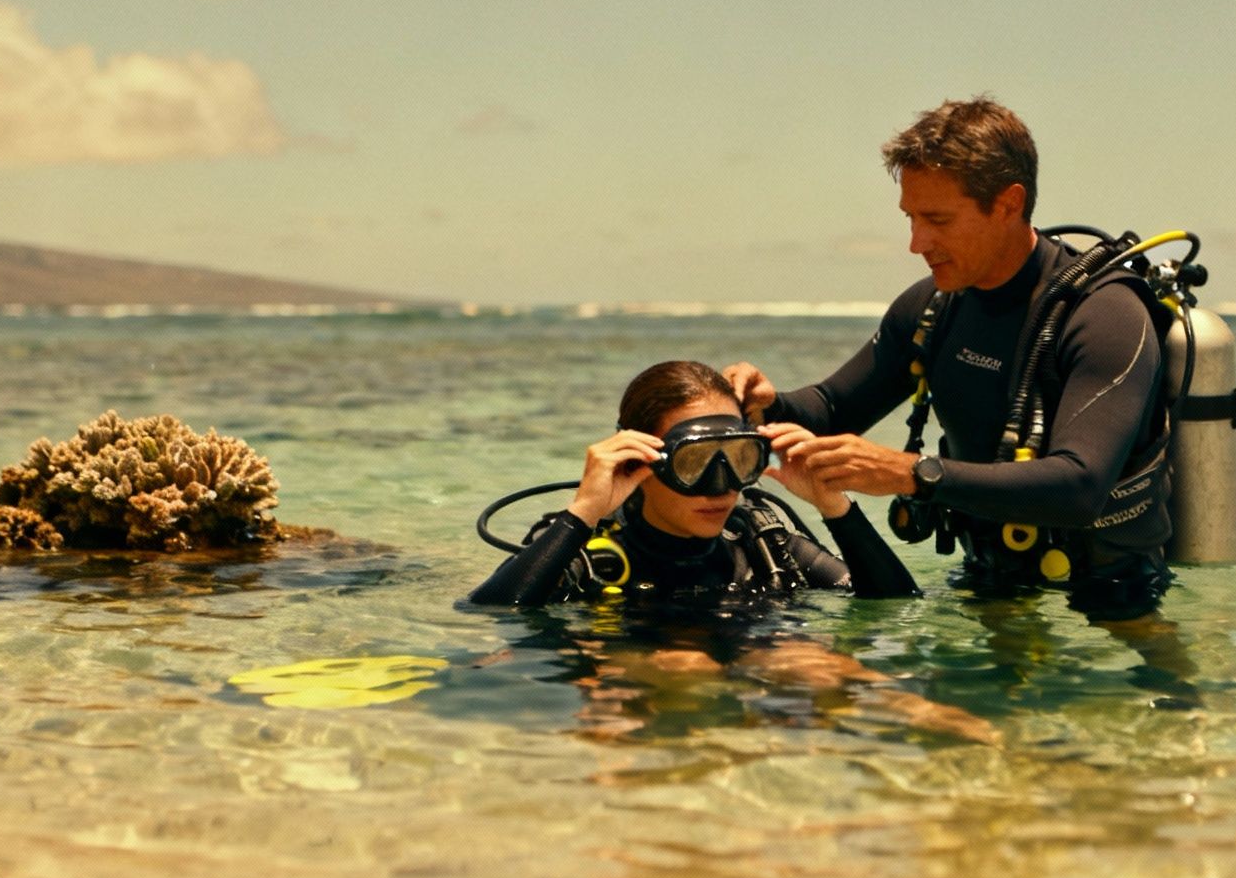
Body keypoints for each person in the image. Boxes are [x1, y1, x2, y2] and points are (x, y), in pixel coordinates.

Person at [724, 97, 1175, 621]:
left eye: (937, 219)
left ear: (1008, 203)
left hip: (1116, 596)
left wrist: (911, 473)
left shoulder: (1105, 314)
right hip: (991, 584)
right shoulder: (932, 309)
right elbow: (831, 407)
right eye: (911, 218)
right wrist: (766, 403)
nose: (917, 242)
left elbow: (1080, 487)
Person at [468, 360, 919, 606]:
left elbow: (898, 605)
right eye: (695, 461)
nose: (721, 487)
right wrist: (583, 511)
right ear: (641, 459)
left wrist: (835, 507)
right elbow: (495, 613)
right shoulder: (586, 550)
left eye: (740, 459)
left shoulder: (759, 542)